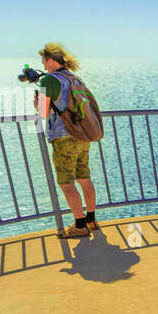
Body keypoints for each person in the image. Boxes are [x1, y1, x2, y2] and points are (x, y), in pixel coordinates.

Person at [33, 42, 98, 238]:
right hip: (81, 134)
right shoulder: (74, 78)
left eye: (44, 61)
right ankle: (91, 220)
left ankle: (79, 225)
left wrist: (37, 104)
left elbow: (43, 112)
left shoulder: (49, 81)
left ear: (51, 60)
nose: (43, 66)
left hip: (63, 137)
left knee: (66, 183)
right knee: (84, 178)